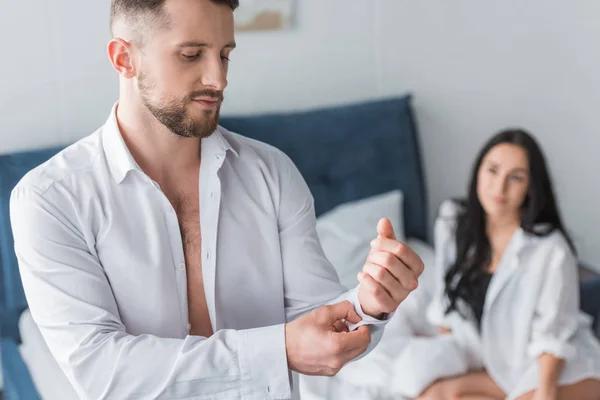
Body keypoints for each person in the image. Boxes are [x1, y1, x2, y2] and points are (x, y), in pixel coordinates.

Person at [9, 1, 424, 399]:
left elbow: (316, 326)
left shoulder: (272, 174)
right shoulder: (50, 200)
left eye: (225, 55)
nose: (218, 79)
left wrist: (368, 305)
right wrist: (277, 350)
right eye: (191, 54)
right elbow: (105, 374)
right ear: (124, 58)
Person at [412, 130, 600, 399]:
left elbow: (554, 334)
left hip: (552, 368)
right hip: (497, 366)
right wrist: (443, 360)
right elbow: (447, 304)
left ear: (530, 188)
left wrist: (545, 393)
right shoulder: (453, 222)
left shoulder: (550, 249)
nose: (499, 188)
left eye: (516, 177)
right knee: (432, 394)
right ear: (478, 171)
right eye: (493, 171)